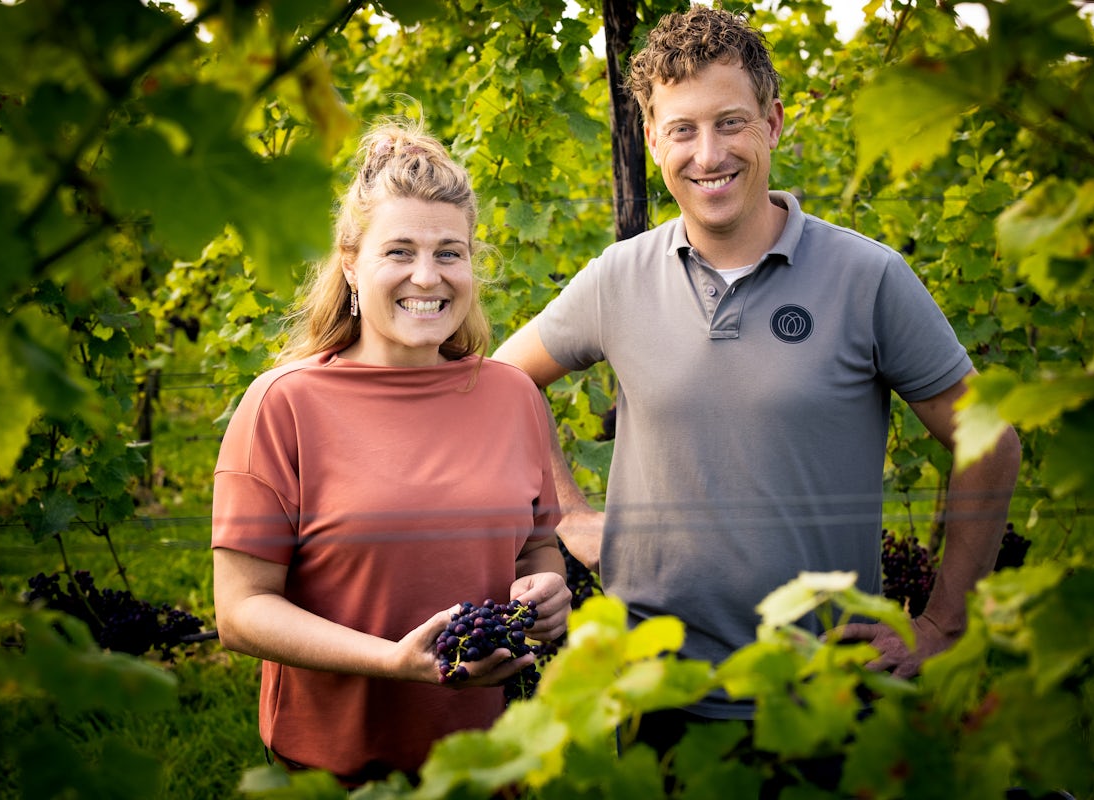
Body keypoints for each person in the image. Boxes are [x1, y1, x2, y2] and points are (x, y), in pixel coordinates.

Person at [493, 4, 1021, 752]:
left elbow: (990, 441)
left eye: (730, 122)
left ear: (773, 122)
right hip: (655, 691)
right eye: (681, 129)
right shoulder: (618, 278)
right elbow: (500, 384)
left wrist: (943, 623)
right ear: (651, 139)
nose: (708, 154)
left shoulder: (866, 277)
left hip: (824, 698)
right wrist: (568, 514)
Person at [211, 120, 572, 787]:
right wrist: (391, 661)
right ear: (350, 261)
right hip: (335, 768)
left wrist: (549, 590)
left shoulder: (512, 395)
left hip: (491, 763)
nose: (427, 277)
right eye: (399, 251)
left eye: (450, 253)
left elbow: (535, 547)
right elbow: (239, 611)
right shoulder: (284, 405)